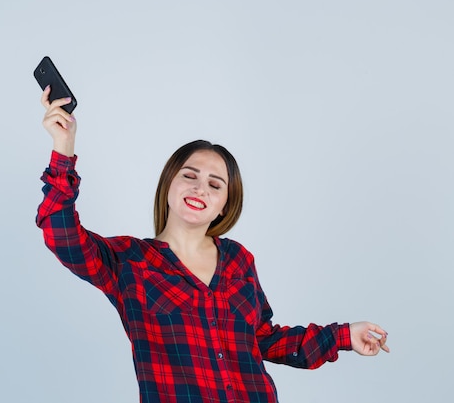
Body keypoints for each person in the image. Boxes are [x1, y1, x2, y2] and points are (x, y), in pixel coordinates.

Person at [36, 86, 389, 403]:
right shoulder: (129, 261)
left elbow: (265, 339)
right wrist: (63, 148)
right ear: (169, 184)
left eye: (215, 184)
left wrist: (343, 335)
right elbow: (60, 231)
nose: (200, 188)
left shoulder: (238, 260)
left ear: (225, 203)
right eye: (189, 176)